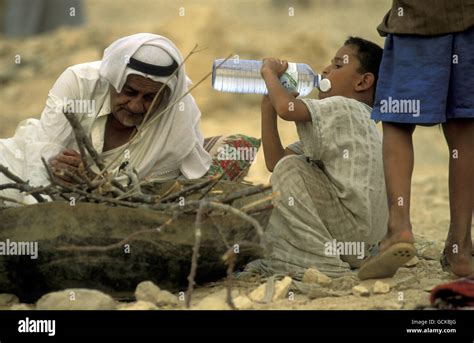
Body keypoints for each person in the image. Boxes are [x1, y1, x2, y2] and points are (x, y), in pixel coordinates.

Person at [0, 33, 211, 204]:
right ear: (114, 78)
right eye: (129, 92)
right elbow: (42, 158)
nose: (136, 105)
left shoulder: (178, 114)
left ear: (165, 95)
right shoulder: (78, 82)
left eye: (150, 98)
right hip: (23, 170)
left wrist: (92, 182)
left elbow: (153, 195)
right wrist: (46, 190)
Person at [245, 37, 387, 278]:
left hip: (353, 232)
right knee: (290, 166)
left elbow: (287, 110)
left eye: (338, 65)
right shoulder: (346, 127)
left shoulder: (345, 107)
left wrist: (269, 72)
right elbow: (275, 163)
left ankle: (323, 264)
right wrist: (267, 108)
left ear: (363, 82)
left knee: (292, 168)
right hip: (363, 243)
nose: (325, 70)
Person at [358, 0, 474, 279]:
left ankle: (398, 227)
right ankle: (460, 248)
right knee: (465, 129)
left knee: (398, 121)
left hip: (416, 19)